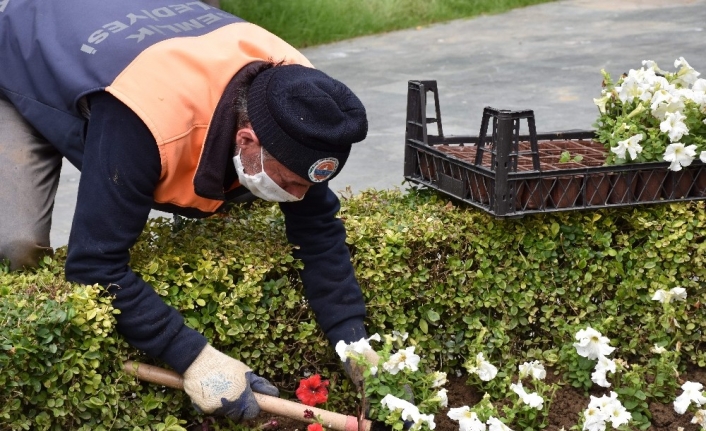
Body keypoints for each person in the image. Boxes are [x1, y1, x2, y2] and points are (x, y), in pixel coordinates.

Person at [0, 0, 376, 422]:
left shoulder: (300, 100)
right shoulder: (145, 118)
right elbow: (93, 265)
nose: (300, 194)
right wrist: (195, 359)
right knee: (15, 243)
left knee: (252, 189)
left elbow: (318, 228)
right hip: (27, 53)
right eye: (291, 181)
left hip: (131, 50)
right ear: (247, 140)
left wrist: (352, 339)